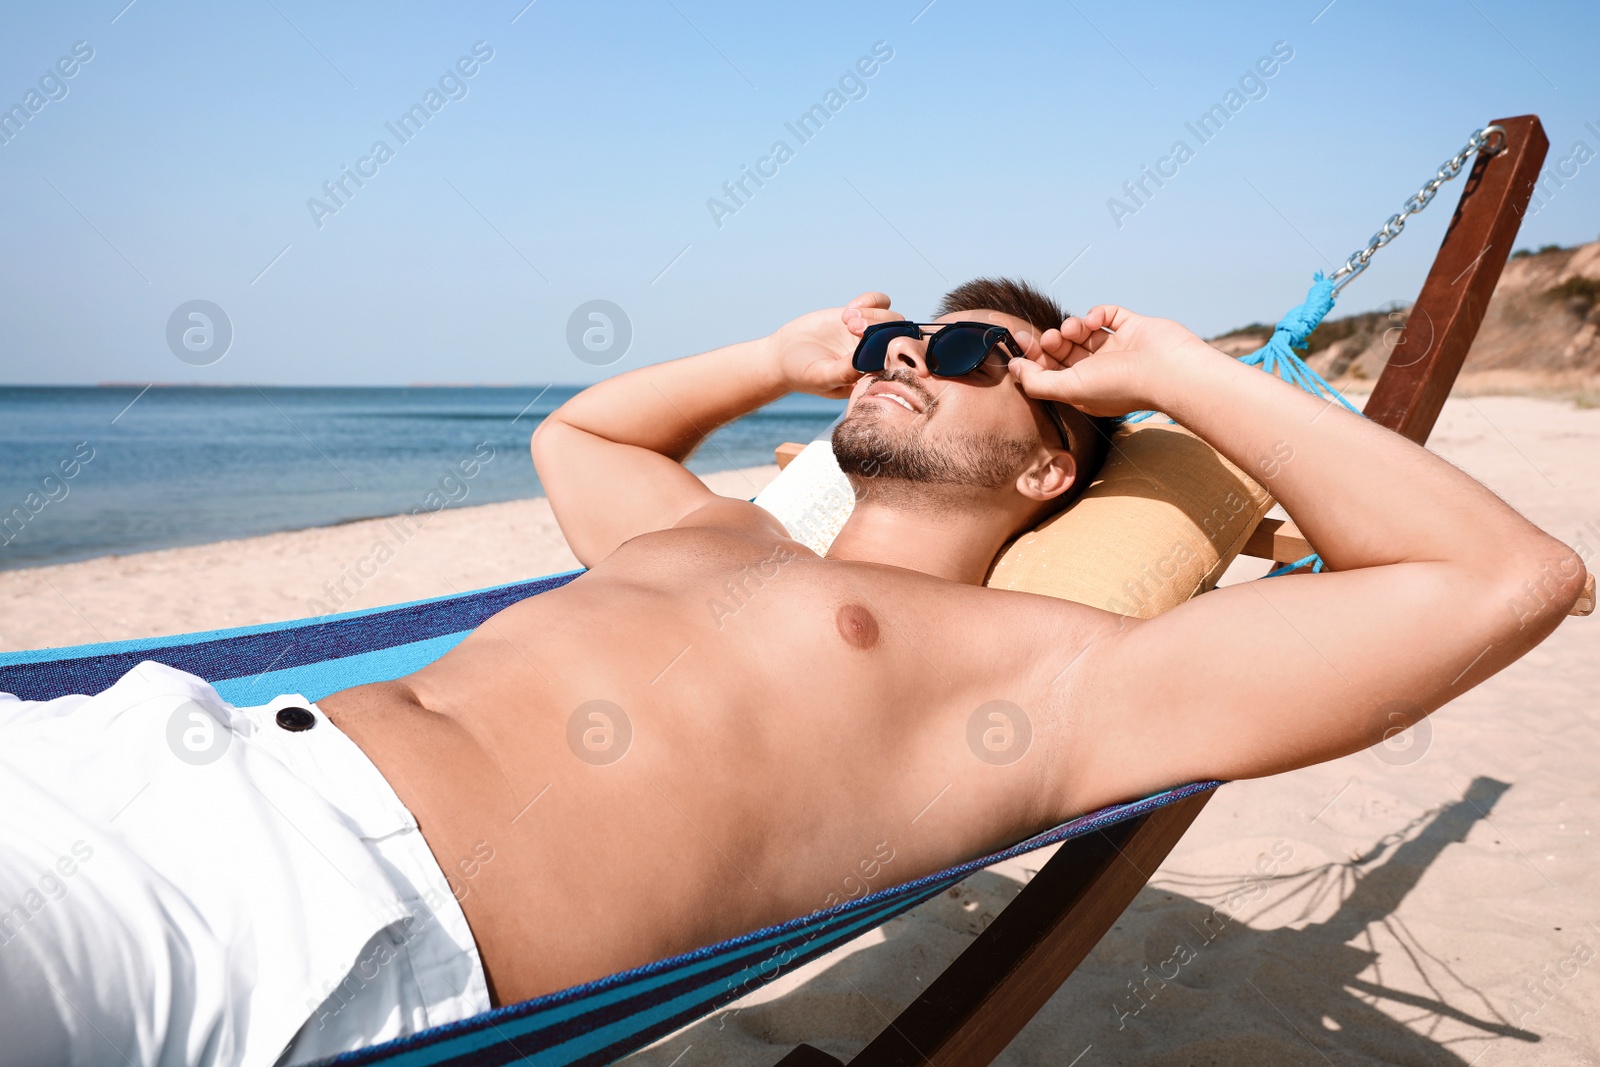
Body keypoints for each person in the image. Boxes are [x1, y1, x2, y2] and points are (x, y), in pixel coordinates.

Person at [1, 279, 1583, 1065]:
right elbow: (583, 433)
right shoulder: (712, 534)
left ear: (1049, 470)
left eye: (971, 356)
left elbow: (1509, 581)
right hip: (134, 742)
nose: (911, 355)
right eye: (902, 337)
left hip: (297, 917)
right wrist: (776, 356)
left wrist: (1171, 374)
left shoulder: (1061, 680)